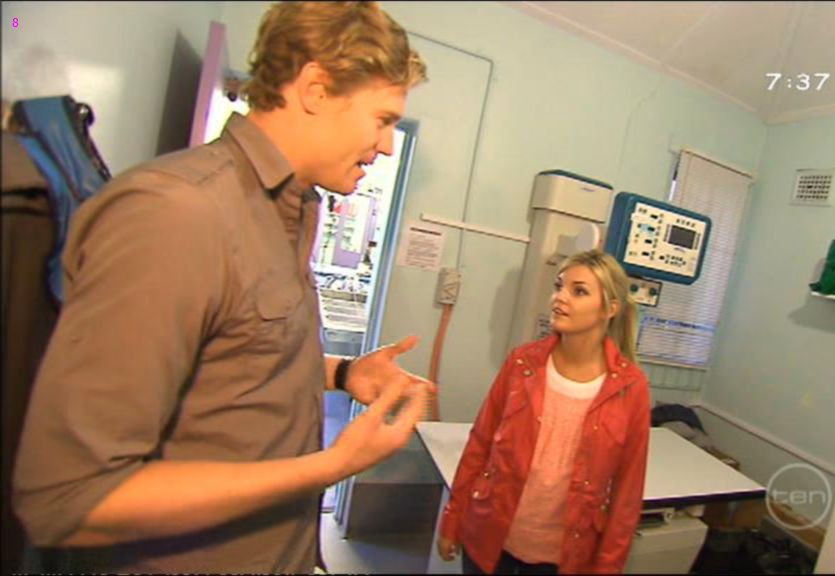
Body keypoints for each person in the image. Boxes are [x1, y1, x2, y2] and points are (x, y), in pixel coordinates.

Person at [12, 2, 430, 573]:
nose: (386, 146)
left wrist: (342, 373)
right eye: (382, 119)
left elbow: (231, 356)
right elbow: (67, 500)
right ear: (316, 89)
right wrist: (332, 465)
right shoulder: (178, 213)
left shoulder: (289, 210)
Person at [437, 249, 652, 574]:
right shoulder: (522, 363)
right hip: (491, 537)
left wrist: (608, 566)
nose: (559, 298)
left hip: (564, 556)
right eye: (559, 286)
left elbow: (627, 492)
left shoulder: (630, 387)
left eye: (579, 291)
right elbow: (479, 445)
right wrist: (452, 518)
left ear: (610, 309)